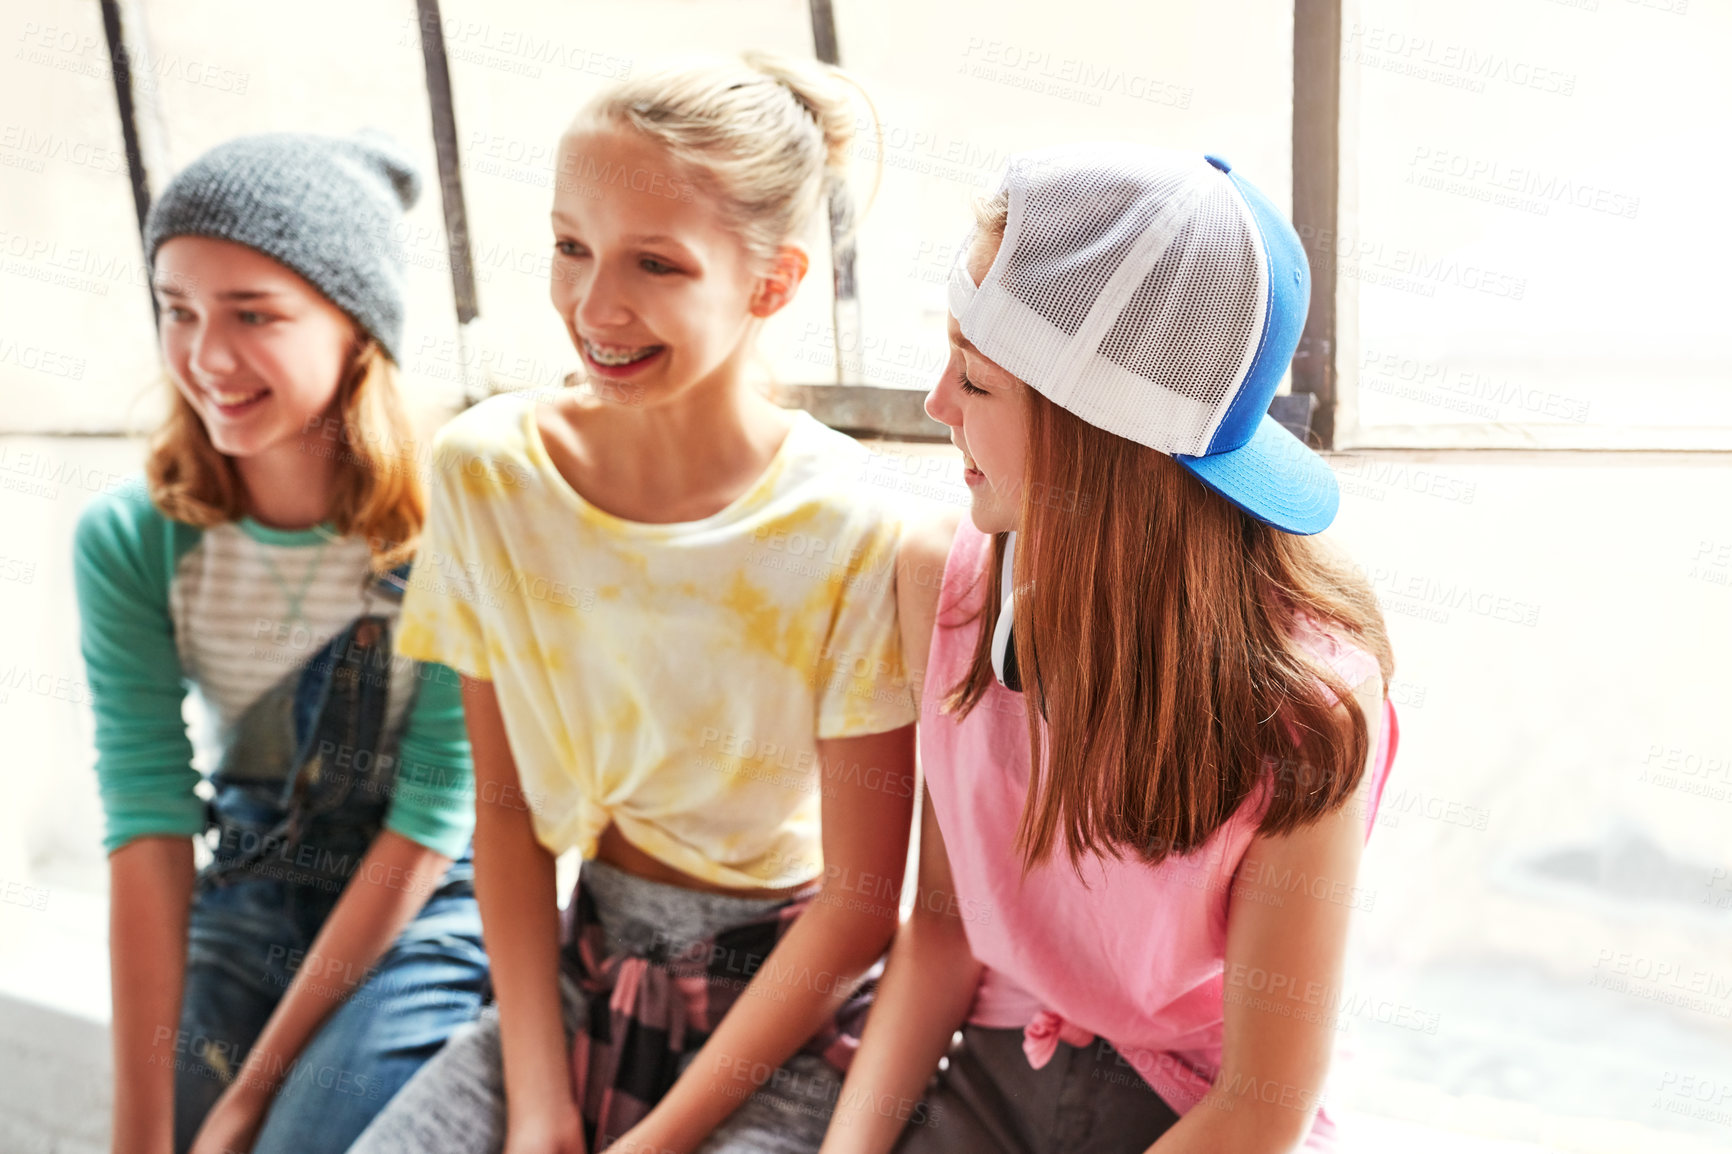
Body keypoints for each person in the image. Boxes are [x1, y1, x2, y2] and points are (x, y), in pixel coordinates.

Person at [350, 52, 916, 1154]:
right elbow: (506, 816)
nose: (595, 305)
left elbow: (856, 910)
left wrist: (650, 1143)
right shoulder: (487, 469)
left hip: (786, 1011)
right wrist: (536, 1101)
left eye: (655, 263)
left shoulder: (853, 525)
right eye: (571, 246)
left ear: (773, 282)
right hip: (576, 967)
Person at [821, 143, 1400, 1154]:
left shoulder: (1309, 713)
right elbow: (943, 932)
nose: (934, 406)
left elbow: (1261, 1104)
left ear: (1097, 437)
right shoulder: (940, 579)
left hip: (1194, 1105)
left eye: (974, 378)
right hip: (996, 1060)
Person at [72, 133, 488, 1154]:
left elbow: (432, 819)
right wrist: (142, 1136)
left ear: (357, 326)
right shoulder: (134, 539)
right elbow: (147, 823)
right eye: (180, 309)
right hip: (253, 875)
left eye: (254, 314)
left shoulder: (457, 528)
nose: (207, 356)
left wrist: (252, 1097)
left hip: (426, 899)